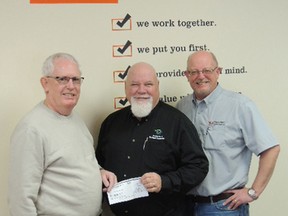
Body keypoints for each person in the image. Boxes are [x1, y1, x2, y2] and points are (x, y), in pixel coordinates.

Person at [8, 53, 117, 216]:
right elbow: (21, 200)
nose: (71, 86)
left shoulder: (74, 118)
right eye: (62, 79)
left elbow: (74, 161)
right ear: (45, 84)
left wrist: (99, 172)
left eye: (76, 79)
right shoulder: (31, 129)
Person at [96, 62, 209, 216]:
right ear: (126, 87)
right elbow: (99, 164)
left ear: (157, 86)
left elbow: (198, 167)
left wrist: (165, 181)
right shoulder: (111, 123)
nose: (141, 90)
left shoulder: (177, 122)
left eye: (148, 84)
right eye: (134, 84)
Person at [176, 51, 280, 215]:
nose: (200, 76)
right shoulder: (182, 107)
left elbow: (270, 149)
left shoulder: (240, 106)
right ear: (186, 75)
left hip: (224, 208)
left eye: (207, 70)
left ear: (218, 72)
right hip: (187, 206)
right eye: (194, 72)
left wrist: (253, 192)